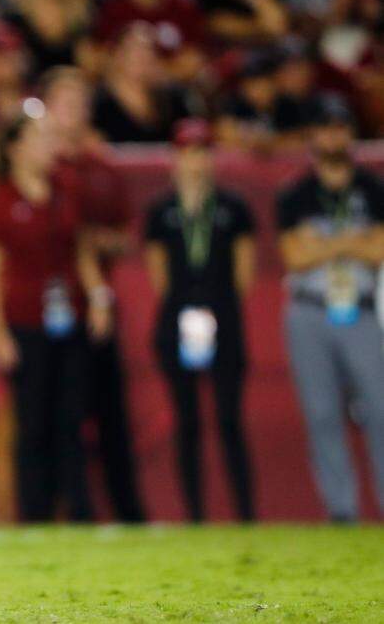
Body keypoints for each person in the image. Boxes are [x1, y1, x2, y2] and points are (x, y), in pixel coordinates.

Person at [0, 111, 112, 522]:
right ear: (16, 148)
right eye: (40, 138)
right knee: (32, 422)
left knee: (72, 418)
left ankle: (77, 510)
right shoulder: (0, 201)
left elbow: (81, 248)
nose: (50, 146)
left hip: (68, 318)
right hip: (25, 321)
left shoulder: (65, 190)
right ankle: (33, 512)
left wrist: (99, 297)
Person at [42, 67, 145, 523]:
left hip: (93, 305)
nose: (75, 112)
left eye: (81, 103)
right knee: (52, 419)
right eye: (66, 102)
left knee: (110, 418)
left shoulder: (102, 169)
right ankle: (60, 512)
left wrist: (95, 246)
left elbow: (121, 236)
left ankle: (126, 512)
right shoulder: (38, 168)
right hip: (44, 309)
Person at [277, 95, 384, 522]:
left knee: (379, 408)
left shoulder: (373, 187)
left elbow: (379, 251)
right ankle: (341, 508)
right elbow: (294, 256)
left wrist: (324, 244)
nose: (333, 135)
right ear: (312, 136)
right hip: (310, 310)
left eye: (340, 126)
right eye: (324, 127)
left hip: (359, 310)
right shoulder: (297, 192)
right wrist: (352, 242)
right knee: (321, 413)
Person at [144, 118, 256, 522]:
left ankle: (245, 513)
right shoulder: (162, 211)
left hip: (222, 316)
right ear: (176, 157)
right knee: (187, 420)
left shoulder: (232, 207)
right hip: (179, 317)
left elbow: (244, 274)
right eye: (189, 152)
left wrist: (214, 305)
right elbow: (159, 277)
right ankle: (195, 515)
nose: (196, 161)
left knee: (229, 419)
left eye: (203, 151)